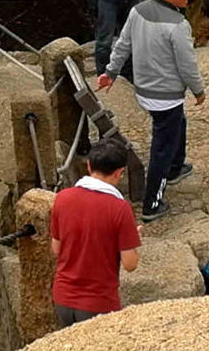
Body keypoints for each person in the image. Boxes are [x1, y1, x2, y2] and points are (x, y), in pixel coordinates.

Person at [97, 0, 205, 219]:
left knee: (178, 123)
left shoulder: (137, 11)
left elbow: (123, 44)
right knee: (162, 148)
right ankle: (152, 203)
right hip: (165, 95)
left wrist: (110, 71)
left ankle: (176, 168)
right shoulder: (178, 25)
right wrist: (198, 90)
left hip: (145, 89)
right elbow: (187, 65)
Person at [47, 134, 142, 326]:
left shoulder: (63, 198)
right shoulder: (120, 208)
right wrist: (133, 239)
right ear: (119, 172)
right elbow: (130, 264)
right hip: (98, 302)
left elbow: (56, 249)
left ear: (89, 166)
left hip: (63, 298)